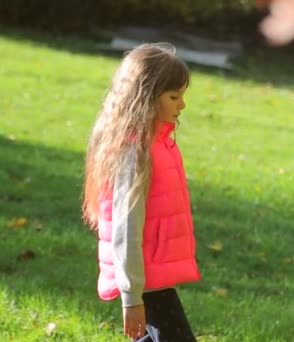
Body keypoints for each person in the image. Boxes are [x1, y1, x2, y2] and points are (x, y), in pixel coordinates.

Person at [82, 43, 200, 341]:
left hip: (151, 274)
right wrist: (131, 296)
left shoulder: (159, 145)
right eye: (174, 97)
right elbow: (125, 229)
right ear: (146, 98)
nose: (181, 105)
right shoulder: (134, 153)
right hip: (144, 277)